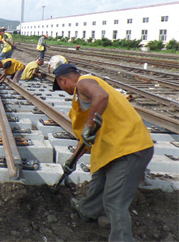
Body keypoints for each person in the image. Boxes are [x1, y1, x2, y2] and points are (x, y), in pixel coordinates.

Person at [52, 64, 154, 242]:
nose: (63, 90)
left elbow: (101, 97)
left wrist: (90, 125)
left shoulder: (84, 83)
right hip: (114, 148)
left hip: (129, 148)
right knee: (99, 177)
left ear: (63, 80)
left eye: (61, 86)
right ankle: (89, 210)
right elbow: (86, 137)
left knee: (114, 201)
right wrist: (72, 159)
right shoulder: (83, 95)